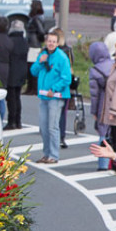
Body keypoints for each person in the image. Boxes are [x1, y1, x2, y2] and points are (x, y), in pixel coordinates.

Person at [31, 29, 71, 164]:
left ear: (58, 43)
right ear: (46, 42)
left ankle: (53, 155)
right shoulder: (42, 55)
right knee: (43, 126)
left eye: (54, 41)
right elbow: (33, 72)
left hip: (55, 96)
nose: (51, 44)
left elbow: (66, 78)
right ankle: (46, 153)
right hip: (43, 96)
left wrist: (53, 89)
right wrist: (40, 62)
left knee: (52, 126)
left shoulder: (62, 57)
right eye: (49, 41)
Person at [90, 41, 116, 170]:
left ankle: (103, 164)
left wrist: (94, 111)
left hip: (104, 104)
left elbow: (94, 95)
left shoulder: (95, 71)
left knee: (103, 133)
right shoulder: (115, 64)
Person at [5, 19, 28, 130]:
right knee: (18, 97)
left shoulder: (10, 41)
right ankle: (18, 121)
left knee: (11, 98)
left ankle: (11, 121)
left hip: (12, 71)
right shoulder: (24, 41)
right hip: (22, 71)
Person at [25, 0, 47, 95]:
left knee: (32, 66)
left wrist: (40, 39)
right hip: (34, 44)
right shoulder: (39, 17)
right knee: (31, 66)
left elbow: (41, 32)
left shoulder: (35, 19)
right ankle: (31, 88)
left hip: (33, 45)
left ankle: (33, 88)